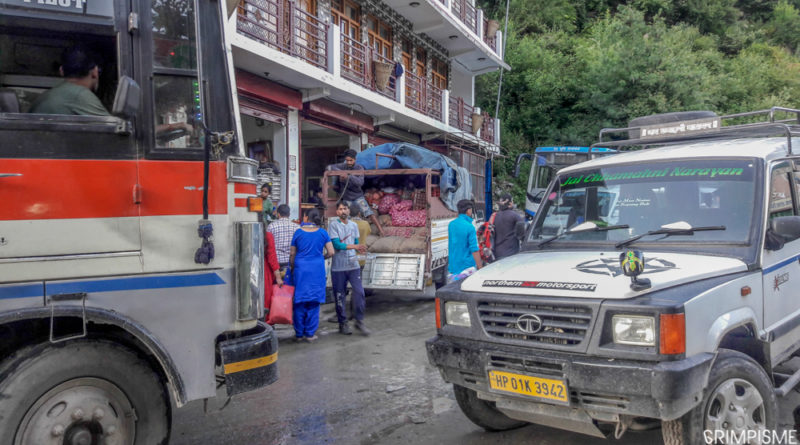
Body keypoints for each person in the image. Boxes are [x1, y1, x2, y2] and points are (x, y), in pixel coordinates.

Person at [289, 209, 334, 342]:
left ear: (306, 217)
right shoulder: (323, 233)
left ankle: (298, 334)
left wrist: (292, 267)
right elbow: (331, 252)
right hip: (316, 268)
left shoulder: (298, 232)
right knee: (314, 301)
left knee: (299, 301)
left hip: (300, 269)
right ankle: (309, 334)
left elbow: (292, 254)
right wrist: (321, 257)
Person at [30, 45, 110, 116]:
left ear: (61, 71)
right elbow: (113, 129)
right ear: (95, 71)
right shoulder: (80, 96)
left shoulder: (45, 95)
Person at [328, 202, 370, 336]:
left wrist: (360, 248)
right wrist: (355, 247)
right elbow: (337, 245)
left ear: (349, 210)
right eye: (340, 209)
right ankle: (343, 323)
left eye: (345, 208)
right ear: (337, 212)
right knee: (340, 295)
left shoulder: (353, 225)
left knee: (359, 292)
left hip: (353, 265)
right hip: (338, 266)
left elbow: (356, 242)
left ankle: (359, 320)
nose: (343, 211)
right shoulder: (333, 225)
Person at [328, 149, 385, 236]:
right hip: (347, 198)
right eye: (347, 160)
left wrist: (348, 176)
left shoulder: (359, 168)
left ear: (355, 159)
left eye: (351, 160)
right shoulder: (343, 166)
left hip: (358, 197)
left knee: (369, 213)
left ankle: (381, 231)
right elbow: (331, 167)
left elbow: (360, 182)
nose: (349, 162)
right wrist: (340, 172)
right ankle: (347, 235)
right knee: (347, 217)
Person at [447, 199, 483, 283]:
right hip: (467, 268)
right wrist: (480, 267)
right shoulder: (470, 227)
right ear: (468, 210)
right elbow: (474, 249)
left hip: (453, 267)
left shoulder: (451, 225)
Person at [493, 193, 526, 260]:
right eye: (513, 202)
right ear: (510, 203)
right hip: (511, 254)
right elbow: (523, 232)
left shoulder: (494, 216)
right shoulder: (514, 215)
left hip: (497, 254)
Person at [268, 204, 300, 273]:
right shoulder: (297, 227)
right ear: (289, 214)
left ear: (278, 214)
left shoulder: (271, 226)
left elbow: (267, 245)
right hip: (291, 262)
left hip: (276, 263)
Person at [264, 231, 283, 314]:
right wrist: (278, 277)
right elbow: (272, 257)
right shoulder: (267, 235)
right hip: (264, 271)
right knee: (266, 300)